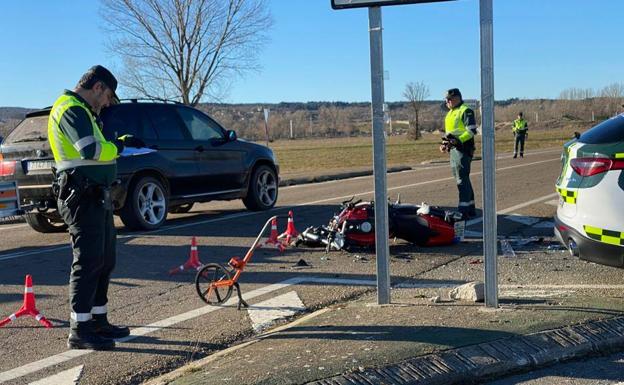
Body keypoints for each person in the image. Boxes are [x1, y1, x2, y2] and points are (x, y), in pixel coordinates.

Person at [48, 65, 142, 350]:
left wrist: (114, 143)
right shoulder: (71, 109)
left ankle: (99, 322)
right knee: (88, 262)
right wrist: (119, 147)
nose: (108, 103)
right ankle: (80, 329)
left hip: (95, 195)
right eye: (108, 96)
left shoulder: (85, 112)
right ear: (98, 87)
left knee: (104, 259)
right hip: (81, 196)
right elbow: (91, 150)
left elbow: (97, 149)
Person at [439, 88, 477, 219]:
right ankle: (471, 207)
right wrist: (444, 145)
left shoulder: (465, 110)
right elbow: (449, 133)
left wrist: (457, 141)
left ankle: (463, 209)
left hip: (463, 148)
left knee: (461, 178)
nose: (447, 102)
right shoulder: (450, 113)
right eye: (446, 100)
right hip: (454, 149)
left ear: (456, 98)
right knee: (461, 177)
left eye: (449, 99)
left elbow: (471, 131)